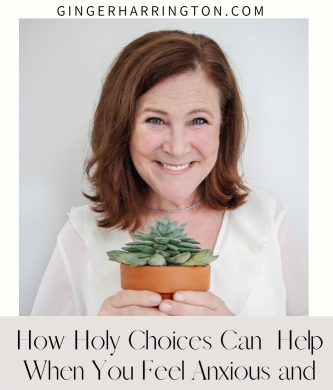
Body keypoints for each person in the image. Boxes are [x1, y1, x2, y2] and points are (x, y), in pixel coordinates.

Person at [31, 30, 307, 316]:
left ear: (223, 126)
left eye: (198, 120)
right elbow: (28, 359)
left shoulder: (269, 222)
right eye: (155, 120)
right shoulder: (81, 234)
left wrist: (235, 343)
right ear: (123, 128)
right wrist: (97, 341)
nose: (177, 148)